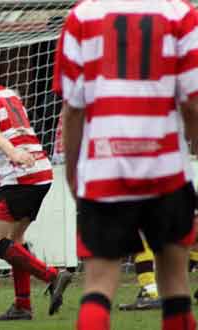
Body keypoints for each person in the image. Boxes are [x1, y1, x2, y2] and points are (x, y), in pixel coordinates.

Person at [54, 1, 198, 329]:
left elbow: (73, 109)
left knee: (99, 285)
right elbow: (192, 103)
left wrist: (74, 173)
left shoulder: (81, 15)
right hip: (166, 169)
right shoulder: (181, 13)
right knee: (176, 284)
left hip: (104, 171)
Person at [0, 51, 72, 321]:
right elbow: (6, 126)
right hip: (40, 171)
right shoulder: (11, 95)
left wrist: (12, 154)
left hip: (18, 174)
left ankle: (52, 275)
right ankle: (22, 305)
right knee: (15, 241)